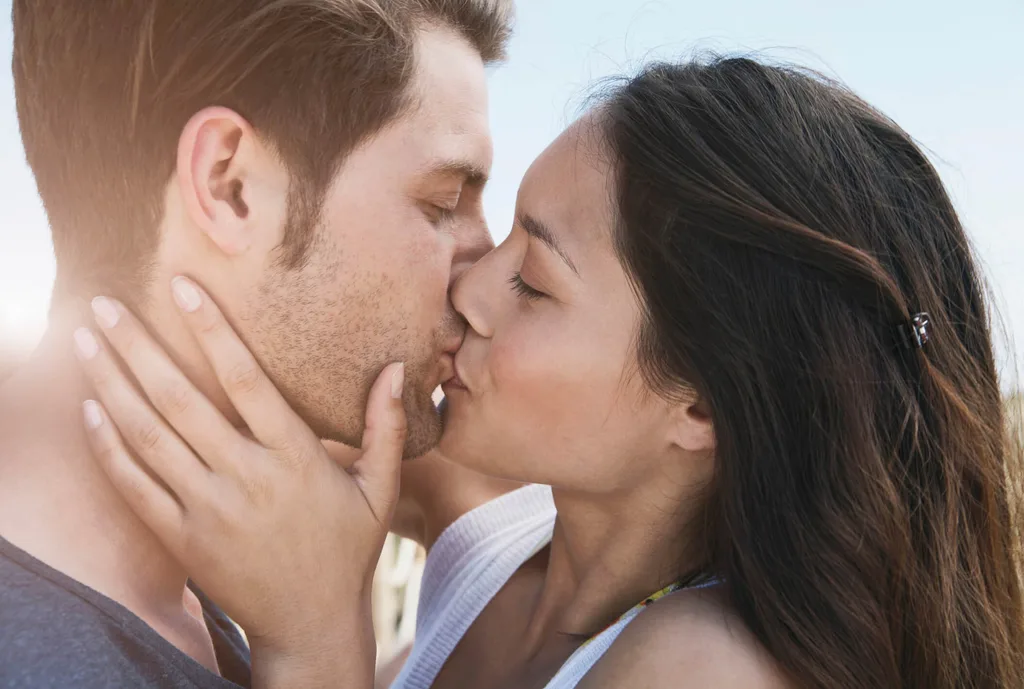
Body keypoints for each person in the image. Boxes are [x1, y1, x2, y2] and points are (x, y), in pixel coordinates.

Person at [80, 56, 1024, 688]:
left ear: (698, 404)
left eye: (531, 282)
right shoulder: (501, 542)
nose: (468, 291)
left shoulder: (699, 667)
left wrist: (318, 642)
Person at [0, 1, 512, 687]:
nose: (483, 281)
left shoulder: (194, 591)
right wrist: (323, 647)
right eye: (442, 204)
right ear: (230, 186)